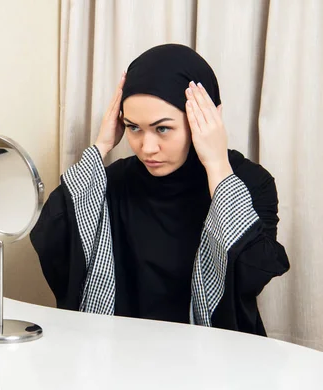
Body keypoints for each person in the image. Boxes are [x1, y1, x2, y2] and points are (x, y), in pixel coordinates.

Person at [29, 44, 290, 335]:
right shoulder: (114, 182)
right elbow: (52, 236)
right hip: (123, 356)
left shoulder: (249, 182)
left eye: (163, 128)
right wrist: (101, 145)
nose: (147, 148)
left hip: (215, 363)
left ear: (205, 119)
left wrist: (217, 166)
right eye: (133, 128)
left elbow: (253, 273)